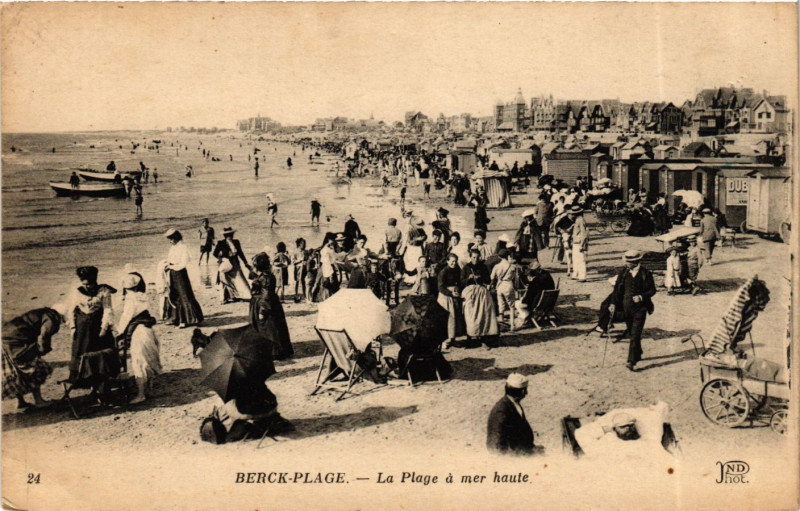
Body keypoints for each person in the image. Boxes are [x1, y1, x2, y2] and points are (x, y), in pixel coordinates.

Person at [2, 305, 65, 409]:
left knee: (16, 372)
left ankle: (20, 401)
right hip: (17, 343)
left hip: (5, 339)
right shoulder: (52, 318)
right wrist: (40, 351)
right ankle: (39, 400)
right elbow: (43, 336)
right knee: (37, 368)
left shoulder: (42, 312)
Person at [115, 272, 161, 404]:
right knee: (149, 360)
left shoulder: (131, 299)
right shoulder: (142, 296)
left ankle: (141, 394)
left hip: (138, 332)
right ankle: (149, 390)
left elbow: (126, 317)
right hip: (148, 329)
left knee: (139, 361)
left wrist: (118, 332)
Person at [573, 402, 672, 463]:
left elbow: (661, 409)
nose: (628, 429)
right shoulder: (608, 442)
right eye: (623, 427)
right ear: (615, 429)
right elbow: (580, 434)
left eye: (630, 426)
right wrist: (602, 430)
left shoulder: (648, 440)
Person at [65, 266, 116, 380]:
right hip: (82, 327)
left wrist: (104, 328)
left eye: (89, 284)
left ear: (94, 281)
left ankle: (100, 377)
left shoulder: (104, 291)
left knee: (100, 351)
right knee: (80, 350)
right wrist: (73, 328)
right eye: (84, 284)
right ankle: (80, 378)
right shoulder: (77, 291)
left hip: (98, 325)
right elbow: (71, 310)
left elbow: (108, 310)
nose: (86, 287)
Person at [609, 250, 656, 371]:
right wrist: (613, 303)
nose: (626, 264)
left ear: (636, 262)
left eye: (629, 262)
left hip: (641, 309)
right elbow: (616, 290)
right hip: (626, 308)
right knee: (632, 333)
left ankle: (631, 361)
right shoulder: (623, 273)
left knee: (635, 335)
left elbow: (652, 290)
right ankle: (638, 352)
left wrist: (641, 297)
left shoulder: (646, 273)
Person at [249, 253, 293, 360]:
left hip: (265, 305)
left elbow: (266, 295)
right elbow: (251, 276)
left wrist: (262, 311)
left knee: (269, 328)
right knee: (269, 327)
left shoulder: (266, 278)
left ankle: (274, 352)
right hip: (262, 303)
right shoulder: (263, 276)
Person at [486, 373, 543, 456]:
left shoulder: (512, 403)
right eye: (525, 390)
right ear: (522, 391)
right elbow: (496, 446)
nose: (526, 393)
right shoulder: (501, 411)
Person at [163, 230, 204, 328]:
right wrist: (166, 264)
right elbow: (170, 260)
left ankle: (188, 319)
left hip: (180, 274)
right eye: (169, 239)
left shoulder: (183, 247)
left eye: (171, 239)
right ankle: (176, 318)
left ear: (176, 237)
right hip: (173, 273)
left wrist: (171, 267)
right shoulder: (173, 248)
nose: (170, 241)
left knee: (184, 295)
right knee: (174, 294)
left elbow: (183, 264)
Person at [461, 249, 499, 348]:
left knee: (485, 313)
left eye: (477, 257)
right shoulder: (466, 267)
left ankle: (484, 338)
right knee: (470, 315)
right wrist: (469, 278)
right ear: (470, 257)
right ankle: (471, 337)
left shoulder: (483, 267)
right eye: (473, 257)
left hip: (481, 291)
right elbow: (461, 282)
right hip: (470, 292)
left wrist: (480, 278)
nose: (476, 259)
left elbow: (488, 280)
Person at [213, 227, 252, 303]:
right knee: (226, 281)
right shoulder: (221, 243)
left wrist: (246, 263)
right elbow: (215, 253)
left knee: (239, 279)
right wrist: (220, 257)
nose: (230, 236)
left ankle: (241, 296)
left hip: (234, 263)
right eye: (229, 235)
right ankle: (227, 298)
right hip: (226, 264)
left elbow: (240, 253)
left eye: (231, 234)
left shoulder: (236, 242)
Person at [514, 259, 555, 329]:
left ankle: (526, 318)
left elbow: (529, 296)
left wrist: (523, 299)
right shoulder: (547, 275)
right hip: (549, 301)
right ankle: (528, 317)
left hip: (538, 303)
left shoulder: (536, 281)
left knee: (517, 303)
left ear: (534, 270)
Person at [437, 254, 465, 351]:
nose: (454, 263)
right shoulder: (443, 272)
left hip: (455, 296)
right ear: (447, 261)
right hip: (445, 297)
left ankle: (452, 338)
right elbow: (440, 287)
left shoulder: (457, 270)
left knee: (455, 317)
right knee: (447, 318)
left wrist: (458, 290)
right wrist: (451, 293)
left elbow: (460, 282)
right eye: (452, 261)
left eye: (455, 261)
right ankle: (444, 341)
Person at [490, 249, 519, 331]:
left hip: (499, 285)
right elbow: (516, 278)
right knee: (511, 306)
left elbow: (492, 278)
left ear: (499, 256)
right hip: (509, 284)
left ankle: (501, 324)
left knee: (501, 306)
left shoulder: (496, 266)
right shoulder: (512, 266)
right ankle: (512, 325)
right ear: (507, 256)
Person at [568, 205, 588, 282]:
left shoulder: (580, 220)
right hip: (575, 242)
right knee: (575, 259)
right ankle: (576, 274)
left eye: (573, 214)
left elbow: (584, 234)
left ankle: (582, 276)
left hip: (579, 243)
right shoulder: (577, 220)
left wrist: (582, 245)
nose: (571, 215)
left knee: (581, 259)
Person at [292, 238, 308, 303]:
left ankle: (304, 294)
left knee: (303, 281)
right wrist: (300, 260)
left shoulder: (305, 251)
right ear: (299, 244)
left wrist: (305, 262)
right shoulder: (295, 251)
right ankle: (296, 294)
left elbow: (307, 259)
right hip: (298, 268)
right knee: (297, 281)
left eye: (304, 244)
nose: (304, 245)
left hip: (303, 268)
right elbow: (293, 261)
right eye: (302, 244)